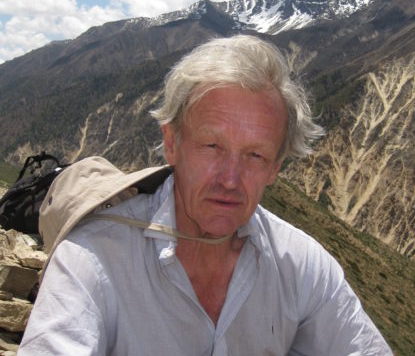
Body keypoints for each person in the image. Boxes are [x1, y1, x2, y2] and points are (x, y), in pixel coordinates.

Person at [18, 35, 392, 355]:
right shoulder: (93, 258)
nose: (230, 179)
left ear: (275, 168)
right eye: (212, 146)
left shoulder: (303, 266)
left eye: (255, 155)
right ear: (171, 143)